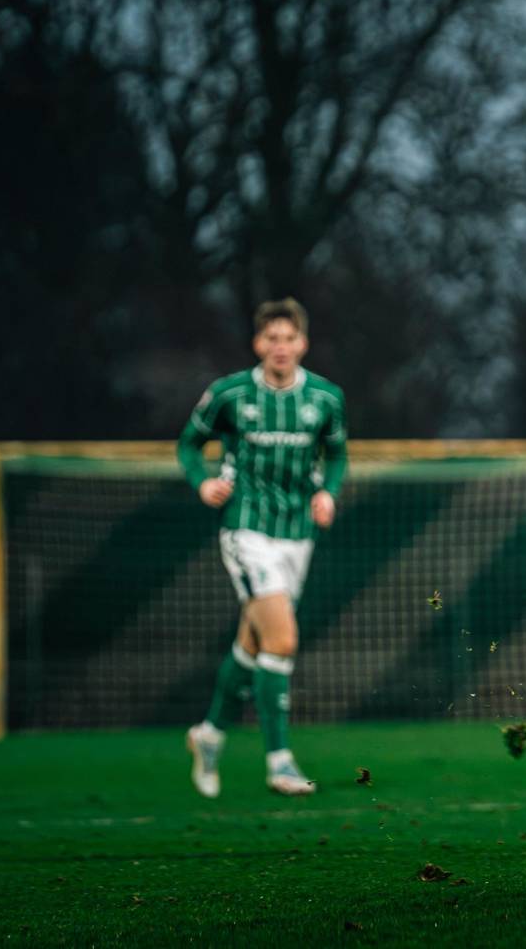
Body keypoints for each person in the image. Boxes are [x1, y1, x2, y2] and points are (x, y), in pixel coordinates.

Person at [179, 297, 348, 798]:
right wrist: (202, 483)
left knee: (253, 645)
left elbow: (337, 454)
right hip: (246, 529)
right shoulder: (229, 394)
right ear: (258, 343)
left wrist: (328, 492)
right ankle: (280, 762)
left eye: (288, 338)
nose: (280, 347)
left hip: (298, 532)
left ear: (303, 344)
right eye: (271, 338)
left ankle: (209, 735)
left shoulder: (325, 397)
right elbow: (189, 443)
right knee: (283, 640)